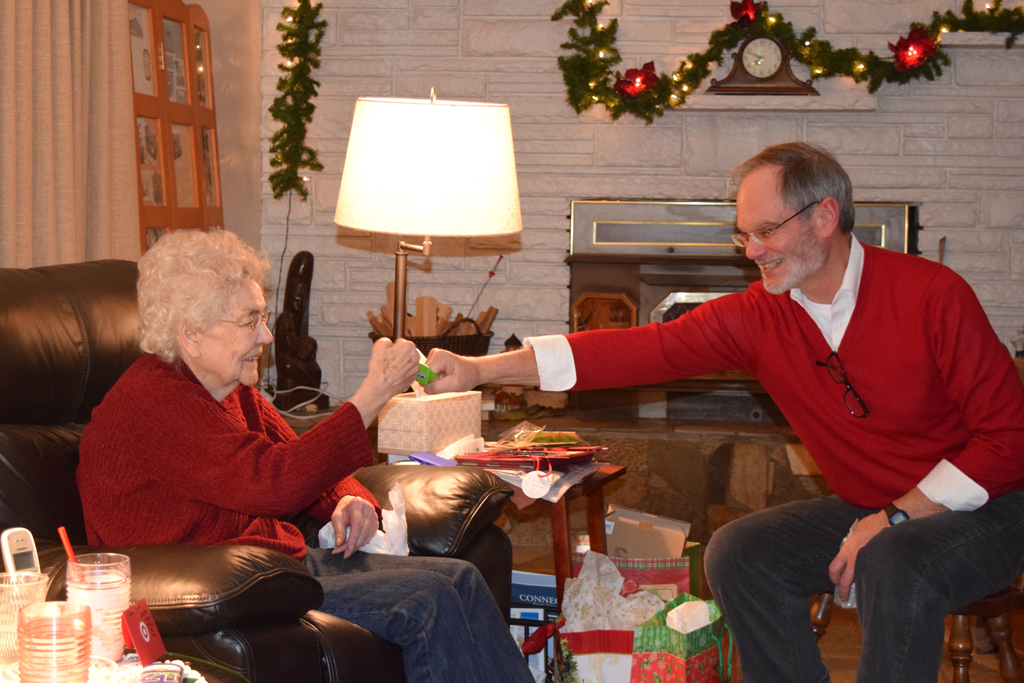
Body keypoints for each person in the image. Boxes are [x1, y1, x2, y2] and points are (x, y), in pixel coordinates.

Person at [425, 142, 1024, 682]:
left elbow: (1010, 439)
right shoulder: (759, 315)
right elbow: (634, 351)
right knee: (738, 553)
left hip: (990, 507)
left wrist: (894, 518)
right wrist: (479, 371)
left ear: (825, 216)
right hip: (877, 504)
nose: (752, 251)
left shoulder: (932, 293)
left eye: (766, 231)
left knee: (896, 556)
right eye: (744, 235)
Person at [76, 230, 532, 683]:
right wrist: (374, 394)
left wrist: (348, 499)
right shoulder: (155, 402)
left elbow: (297, 457)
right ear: (191, 334)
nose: (267, 336)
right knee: (430, 596)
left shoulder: (229, 392)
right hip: (225, 586)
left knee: (462, 579)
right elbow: (273, 482)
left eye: (264, 317)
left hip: (274, 570)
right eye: (250, 321)